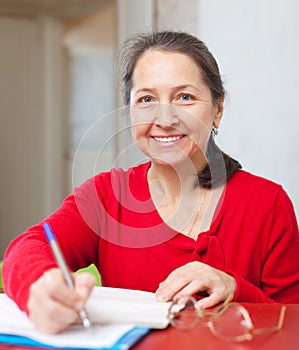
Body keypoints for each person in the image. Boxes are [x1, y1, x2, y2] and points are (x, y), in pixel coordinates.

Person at [3, 30, 299, 334]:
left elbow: (293, 324)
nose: (165, 119)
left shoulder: (268, 204)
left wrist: (235, 288)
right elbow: (27, 248)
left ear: (217, 110)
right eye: (146, 99)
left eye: (184, 97)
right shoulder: (106, 196)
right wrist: (41, 286)